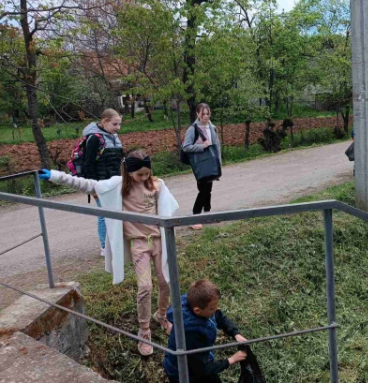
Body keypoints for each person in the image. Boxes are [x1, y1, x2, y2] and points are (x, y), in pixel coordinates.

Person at [39, 150, 180, 356]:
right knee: (145, 287)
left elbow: (168, 210)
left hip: (158, 241)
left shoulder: (157, 185)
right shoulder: (117, 186)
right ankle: (144, 331)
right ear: (129, 172)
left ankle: (162, 315)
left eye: (147, 173)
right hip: (138, 244)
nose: (144, 178)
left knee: (166, 282)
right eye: (140, 174)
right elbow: (86, 184)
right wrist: (54, 175)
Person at [164, 279, 248, 383]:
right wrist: (231, 360)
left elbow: (219, 317)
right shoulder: (191, 334)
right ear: (197, 310)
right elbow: (202, 369)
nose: (216, 309)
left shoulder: (198, 304)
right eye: (212, 308)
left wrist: (235, 333)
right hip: (184, 373)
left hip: (199, 362)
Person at [82, 109, 124, 257]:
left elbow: (119, 161)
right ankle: (104, 246)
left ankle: (116, 243)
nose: (117, 127)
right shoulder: (94, 139)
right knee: (104, 215)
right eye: (114, 124)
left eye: (119, 124)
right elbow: (88, 164)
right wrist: (93, 188)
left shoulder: (114, 137)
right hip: (100, 184)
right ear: (104, 121)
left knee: (117, 212)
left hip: (115, 182)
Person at [182, 103, 222, 230]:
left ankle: (207, 214)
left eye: (207, 113)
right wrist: (202, 146)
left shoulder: (212, 127)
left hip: (211, 163)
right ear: (197, 114)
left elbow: (217, 147)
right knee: (203, 190)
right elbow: (186, 147)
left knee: (208, 189)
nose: (205, 116)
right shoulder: (192, 129)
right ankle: (195, 217)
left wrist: (219, 162)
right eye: (202, 113)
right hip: (200, 164)